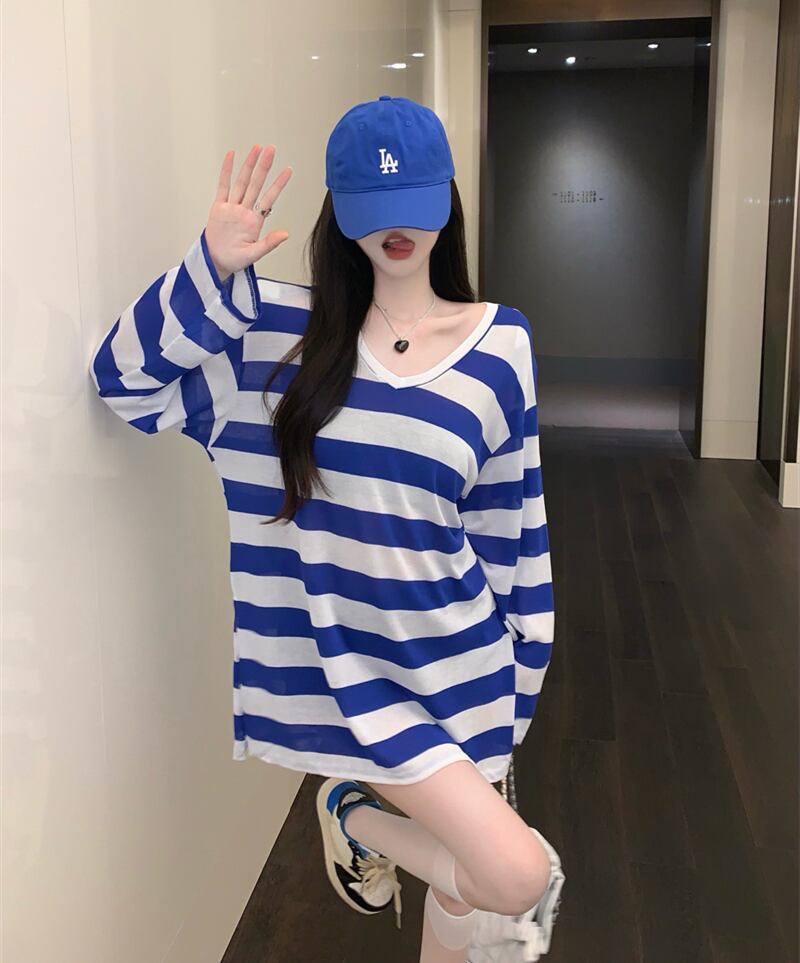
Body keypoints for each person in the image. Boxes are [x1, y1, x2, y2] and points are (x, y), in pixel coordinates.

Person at [89, 95, 562, 963]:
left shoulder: (502, 346)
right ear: (339, 212)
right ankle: (352, 809)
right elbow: (124, 384)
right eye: (373, 210)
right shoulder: (270, 334)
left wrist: (517, 690)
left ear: (447, 201)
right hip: (351, 680)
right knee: (517, 873)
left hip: (462, 664)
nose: (395, 231)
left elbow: (511, 529)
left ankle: (355, 815)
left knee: (465, 898)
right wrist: (208, 271)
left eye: (413, 205)